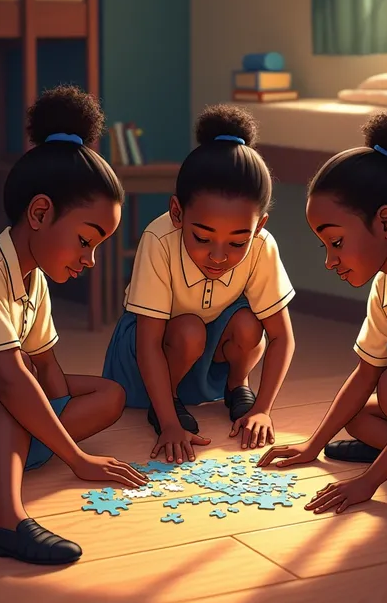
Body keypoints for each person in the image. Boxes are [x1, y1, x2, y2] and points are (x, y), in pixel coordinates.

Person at [0, 85, 147, 565]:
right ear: (40, 213)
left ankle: (15, 448)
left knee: (109, 393)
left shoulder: (33, 277)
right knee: (4, 379)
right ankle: (7, 521)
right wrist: (76, 458)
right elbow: (10, 375)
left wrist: (54, 409)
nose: (90, 260)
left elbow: (47, 365)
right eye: (86, 241)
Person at [258, 108, 387, 513]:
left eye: (336, 243)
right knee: (362, 410)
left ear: (386, 222)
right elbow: (364, 372)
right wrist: (312, 445)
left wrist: (368, 482)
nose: (329, 260)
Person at [103, 104, 296, 464]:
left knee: (249, 322)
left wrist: (264, 410)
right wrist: (168, 422)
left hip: (208, 353)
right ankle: (166, 403)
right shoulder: (159, 239)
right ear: (177, 213)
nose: (218, 256)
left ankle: (236, 387)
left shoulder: (262, 246)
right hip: (149, 357)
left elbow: (282, 336)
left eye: (237, 242)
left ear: (260, 226)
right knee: (191, 328)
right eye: (203, 237)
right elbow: (147, 343)